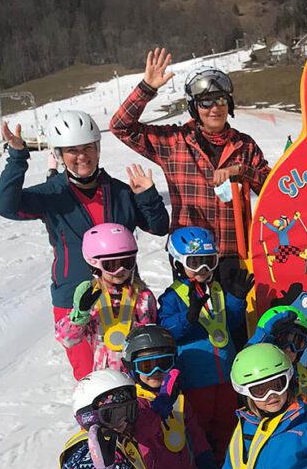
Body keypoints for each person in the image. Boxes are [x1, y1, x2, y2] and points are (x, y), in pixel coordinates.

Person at [0, 112, 168, 379]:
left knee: (137, 375)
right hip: (74, 302)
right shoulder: (52, 194)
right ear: (60, 155)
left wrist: (146, 196)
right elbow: (5, 206)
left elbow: (158, 226)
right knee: (92, 382)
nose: (81, 156)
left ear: (98, 149)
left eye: (88, 148)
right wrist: (17, 157)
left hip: (126, 298)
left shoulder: (120, 192)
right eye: (72, 150)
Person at [109, 48, 270, 294]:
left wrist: (242, 171)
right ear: (194, 107)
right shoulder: (175, 141)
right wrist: (146, 88)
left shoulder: (244, 145)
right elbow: (121, 127)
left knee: (238, 322)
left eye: (220, 100)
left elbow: (273, 188)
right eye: (206, 102)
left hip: (234, 252)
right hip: (189, 255)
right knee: (197, 322)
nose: (214, 108)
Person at [157, 226, 247, 463]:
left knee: (228, 427)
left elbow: (231, 324)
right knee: (199, 432)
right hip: (196, 379)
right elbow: (166, 331)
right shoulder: (172, 296)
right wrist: (188, 316)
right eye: (195, 262)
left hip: (225, 377)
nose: (204, 269)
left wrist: (236, 300)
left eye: (209, 261)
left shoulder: (216, 289)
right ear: (177, 264)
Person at [123, 325, 221, 469]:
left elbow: (193, 430)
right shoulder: (135, 404)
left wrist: (205, 459)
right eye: (147, 366)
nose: (157, 372)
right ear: (133, 368)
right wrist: (158, 408)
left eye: (164, 363)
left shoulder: (177, 395)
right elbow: (142, 432)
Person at [55, 224, 156, 373]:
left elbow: (153, 333)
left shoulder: (143, 297)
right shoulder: (91, 298)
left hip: (141, 375)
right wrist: (80, 314)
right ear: (94, 264)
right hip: (107, 380)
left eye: (127, 263)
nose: (121, 271)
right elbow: (67, 338)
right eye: (111, 265)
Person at [250, 304, 307, 401]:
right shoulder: (255, 375)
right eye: (282, 341)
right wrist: (260, 338)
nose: (288, 349)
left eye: (298, 342)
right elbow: (246, 360)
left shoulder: (305, 374)